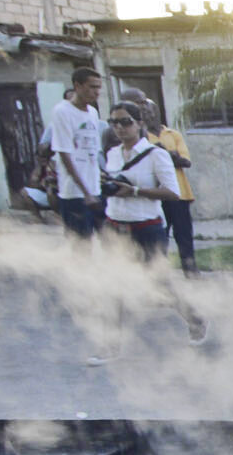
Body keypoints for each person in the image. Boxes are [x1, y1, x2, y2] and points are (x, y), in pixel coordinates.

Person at [89, 102, 207, 362]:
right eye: (114, 122)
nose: (120, 128)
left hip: (147, 227)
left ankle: (194, 318)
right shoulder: (113, 154)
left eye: (126, 121)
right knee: (113, 286)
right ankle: (110, 346)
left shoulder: (156, 154)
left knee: (159, 285)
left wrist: (134, 191)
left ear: (140, 123)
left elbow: (172, 192)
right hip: (116, 226)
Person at [122, 90, 198, 276]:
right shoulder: (140, 137)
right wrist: (170, 155)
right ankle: (158, 274)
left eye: (151, 109)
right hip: (156, 195)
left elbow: (186, 162)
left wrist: (162, 153)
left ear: (157, 111)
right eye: (143, 110)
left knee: (184, 235)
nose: (148, 113)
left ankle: (190, 271)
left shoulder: (173, 134)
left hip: (180, 194)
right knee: (159, 237)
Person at [51, 68, 105, 239]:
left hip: (95, 188)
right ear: (78, 86)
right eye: (92, 87)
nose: (96, 92)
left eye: (98, 87)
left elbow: (93, 152)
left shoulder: (93, 112)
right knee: (81, 245)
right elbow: (64, 154)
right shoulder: (63, 111)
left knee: (109, 241)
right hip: (75, 193)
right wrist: (86, 192)